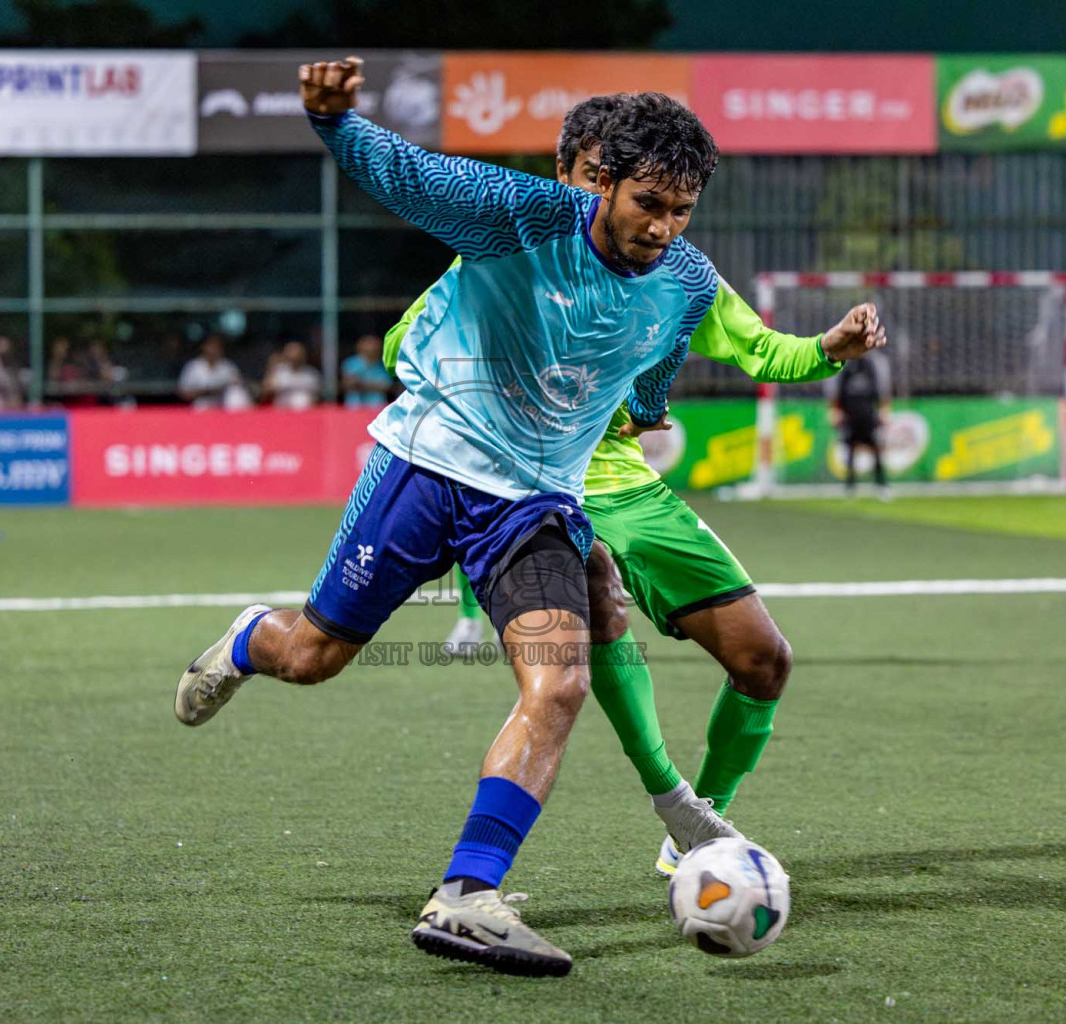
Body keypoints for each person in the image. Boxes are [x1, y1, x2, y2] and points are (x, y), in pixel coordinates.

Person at [173, 59, 882, 977]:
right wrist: (336, 124)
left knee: (559, 683)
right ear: (601, 184)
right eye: (647, 205)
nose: (663, 229)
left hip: (538, 502)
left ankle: (467, 895)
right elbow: (412, 176)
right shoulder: (522, 216)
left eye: (681, 211)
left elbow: (659, 356)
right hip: (426, 469)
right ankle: (245, 642)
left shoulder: (688, 280)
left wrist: (661, 395)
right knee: (311, 657)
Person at [394, 95, 884, 880]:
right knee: (597, 596)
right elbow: (406, 339)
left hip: (625, 481)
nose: (617, 208)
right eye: (597, 181)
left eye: (664, 201)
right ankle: (670, 798)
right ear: (568, 176)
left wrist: (830, 344)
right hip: (531, 477)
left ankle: (696, 827)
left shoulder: (678, 275)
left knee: (764, 660)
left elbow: (761, 349)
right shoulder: (508, 245)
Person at [830, 347, 892, 497]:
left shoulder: (872, 364)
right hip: (850, 416)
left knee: (876, 449)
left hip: (869, 415)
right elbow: (837, 391)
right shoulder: (844, 366)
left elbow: (881, 390)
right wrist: (835, 411)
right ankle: (850, 486)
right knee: (851, 450)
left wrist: (883, 409)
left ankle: (881, 484)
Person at [178, 335, 250, 410]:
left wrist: (222, 390)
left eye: (217, 347)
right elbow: (183, 393)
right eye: (211, 346)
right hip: (202, 405)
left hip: (223, 405)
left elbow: (238, 387)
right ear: (204, 347)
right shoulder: (193, 366)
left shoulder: (228, 366)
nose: (214, 349)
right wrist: (206, 392)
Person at [262, 340, 321, 409]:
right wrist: (272, 366)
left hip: (305, 413)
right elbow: (265, 392)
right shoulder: (279, 371)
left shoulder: (311, 374)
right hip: (282, 413)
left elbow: (318, 397)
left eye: (297, 352)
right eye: (290, 352)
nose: (294, 356)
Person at [339, 334, 393, 407]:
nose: (372, 348)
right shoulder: (350, 363)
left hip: (377, 407)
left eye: (375, 346)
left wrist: (361, 384)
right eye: (369, 346)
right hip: (354, 407)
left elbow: (387, 386)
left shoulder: (384, 365)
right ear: (360, 348)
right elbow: (348, 384)